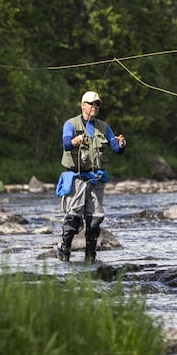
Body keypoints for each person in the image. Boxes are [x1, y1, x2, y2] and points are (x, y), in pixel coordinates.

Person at [56, 90, 127, 262]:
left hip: (97, 180)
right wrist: (74, 141)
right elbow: (66, 144)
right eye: (91, 103)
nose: (95, 106)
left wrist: (121, 144)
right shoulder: (70, 124)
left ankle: (90, 257)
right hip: (77, 180)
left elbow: (116, 149)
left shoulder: (104, 127)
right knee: (73, 219)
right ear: (83, 105)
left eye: (97, 104)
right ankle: (64, 253)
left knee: (94, 221)